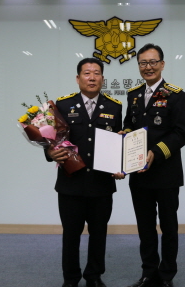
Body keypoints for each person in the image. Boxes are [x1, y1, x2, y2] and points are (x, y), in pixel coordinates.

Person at [46, 57, 124, 287]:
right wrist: (50, 153)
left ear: (103, 78)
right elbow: (51, 140)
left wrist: (122, 166)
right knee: (71, 234)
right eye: (87, 73)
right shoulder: (63, 105)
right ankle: (70, 278)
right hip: (71, 183)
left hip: (101, 184)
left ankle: (94, 276)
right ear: (78, 78)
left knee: (99, 234)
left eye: (97, 73)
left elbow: (119, 141)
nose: (92, 78)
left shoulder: (114, 106)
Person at [122, 44, 185, 287]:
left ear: (162, 64)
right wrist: (124, 135)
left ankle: (167, 275)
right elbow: (129, 124)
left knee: (169, 227)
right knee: (145, 227)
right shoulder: (133, 95)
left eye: (153, 62)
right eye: (143, 63)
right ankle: (149, 273)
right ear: (138, 66)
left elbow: (181, 133)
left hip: (166, 173)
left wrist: (156, 152)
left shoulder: (177, 95)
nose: (148, 67)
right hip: (139, 174)